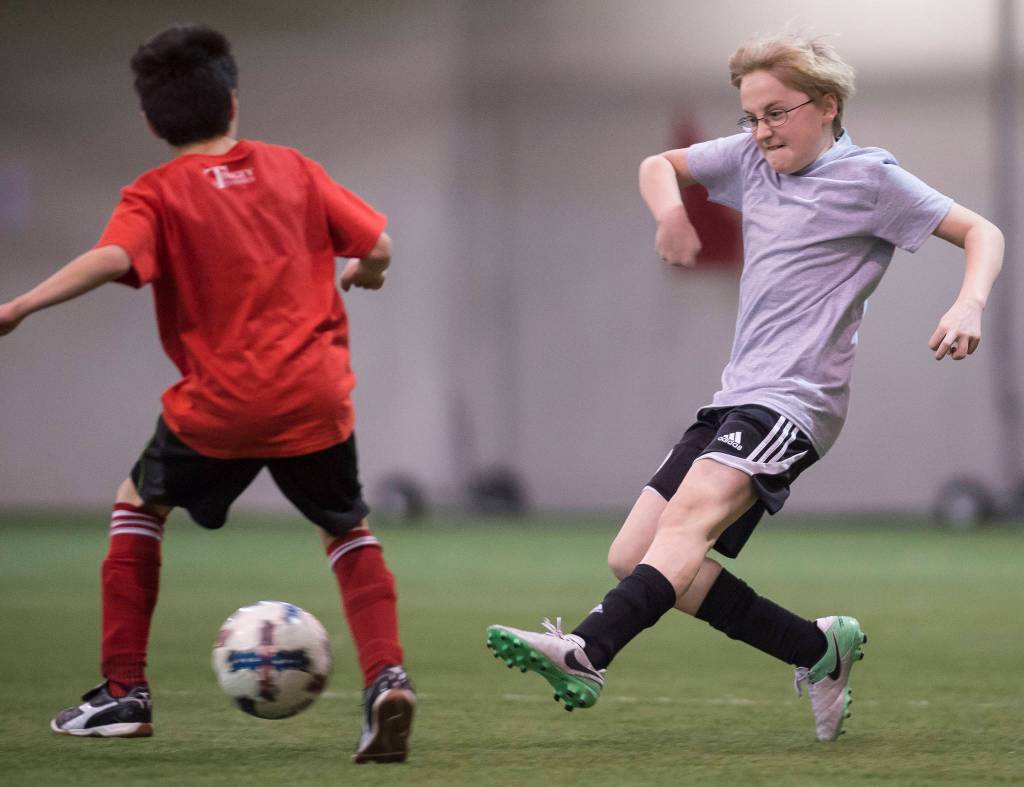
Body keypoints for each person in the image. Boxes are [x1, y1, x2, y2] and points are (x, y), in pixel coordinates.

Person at [486, 31, 1004, 742]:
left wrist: (969, 302)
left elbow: (983, 231)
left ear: (826, 105)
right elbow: (656, 165)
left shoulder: (872, 179)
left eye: (775, 113)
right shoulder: (750, 161)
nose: (760, 132)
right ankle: (816, 648)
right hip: (737, 394)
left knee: (688, 519)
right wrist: (671, 212)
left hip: (798, 400)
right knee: (635, 554)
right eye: (750, 117)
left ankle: (587, 650)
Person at [0, 26, 415, 763]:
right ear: (232, 99)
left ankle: (124, 691)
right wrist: (364, 275)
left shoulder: (156, 193)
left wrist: (21, 305)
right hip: (315, 398)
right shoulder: (293, 168)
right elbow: (377, 247)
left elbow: (113, 257)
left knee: (138, 501)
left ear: (152, 122)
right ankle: (387, 677)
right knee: (347, 527)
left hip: (221, 406)